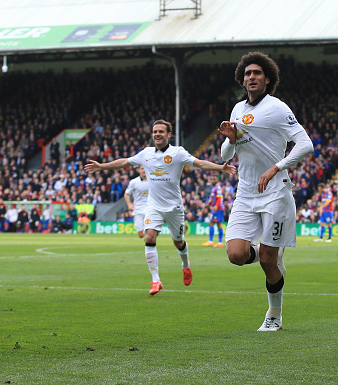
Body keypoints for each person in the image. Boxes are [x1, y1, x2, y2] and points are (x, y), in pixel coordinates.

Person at [85, 119, 236, 296]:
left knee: (178, 242)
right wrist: (101, 166)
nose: (157, 134)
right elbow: (125, 162)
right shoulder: (146, 154)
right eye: (155, 131)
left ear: (168, 134)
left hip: (174, 208)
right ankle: (156, 280)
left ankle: (185, 266)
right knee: (149, 237)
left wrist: (220, 168)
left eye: (161, 132)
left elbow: (199, 163)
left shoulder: (177, 153)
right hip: (154, 206)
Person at [218, 51, 313, 331]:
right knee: (236, 254)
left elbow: (305, 144)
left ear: (267, 79)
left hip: (274, 192)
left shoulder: (277, 108)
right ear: (242, 79)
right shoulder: (237, 109)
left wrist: (276, 167)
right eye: (247, 74)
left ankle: (274, 315)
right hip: (245, 193)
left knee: (268, 261)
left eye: (257, 73)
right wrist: (231, 139)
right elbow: (226, 154)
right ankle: (268, 251)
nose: (251, 77)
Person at [124, 165, 149, 239]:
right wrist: (129, 204)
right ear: (139, 170)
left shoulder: (153, 181)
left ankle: (150, 239)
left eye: (145, 169)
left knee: (150, 232)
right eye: (142, 169)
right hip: (138, 209)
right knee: (141, 235)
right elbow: (126, 194)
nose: (144, 170)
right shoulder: (134, 182)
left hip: (150, 209)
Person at [202, 177, 226, 247]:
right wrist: (208, 204)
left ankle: (211, 241)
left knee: (211, 223)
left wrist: (216, 206)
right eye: (211, 179)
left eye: (214, 179)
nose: (212, 180)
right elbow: (213, 198)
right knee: (219, 224)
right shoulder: (214, 188)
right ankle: (220, 242)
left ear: (217, 180)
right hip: (218, 208)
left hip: (218, 208)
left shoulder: (218, 187)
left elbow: (219, 198)